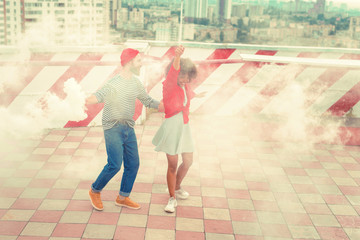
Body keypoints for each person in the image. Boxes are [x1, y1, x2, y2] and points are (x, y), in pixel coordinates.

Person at [87, 48, 163, 211]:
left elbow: (147, 100)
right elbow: (99, 96)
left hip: (128, 127)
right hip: (113, 126)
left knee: (133, 163)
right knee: (114, 164)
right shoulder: (114, 83)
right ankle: (95, 191)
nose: (141, 64)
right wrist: (86, 100)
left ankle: (122, 197)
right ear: (129, 63)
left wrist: (165, 105)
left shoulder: (136, 83)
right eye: (138, 61)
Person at [152, 45, 205, 213]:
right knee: (173, 165)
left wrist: (197, 95)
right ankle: (171, 198)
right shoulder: (169, 84)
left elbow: (187, 93)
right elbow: (174, 72)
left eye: (187, 76)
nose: (184, 79)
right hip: (172, 127)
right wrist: (177, 56)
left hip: (184, 126)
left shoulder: (186, 86)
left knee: (188, 161)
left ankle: (177, 186)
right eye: (182, 75)